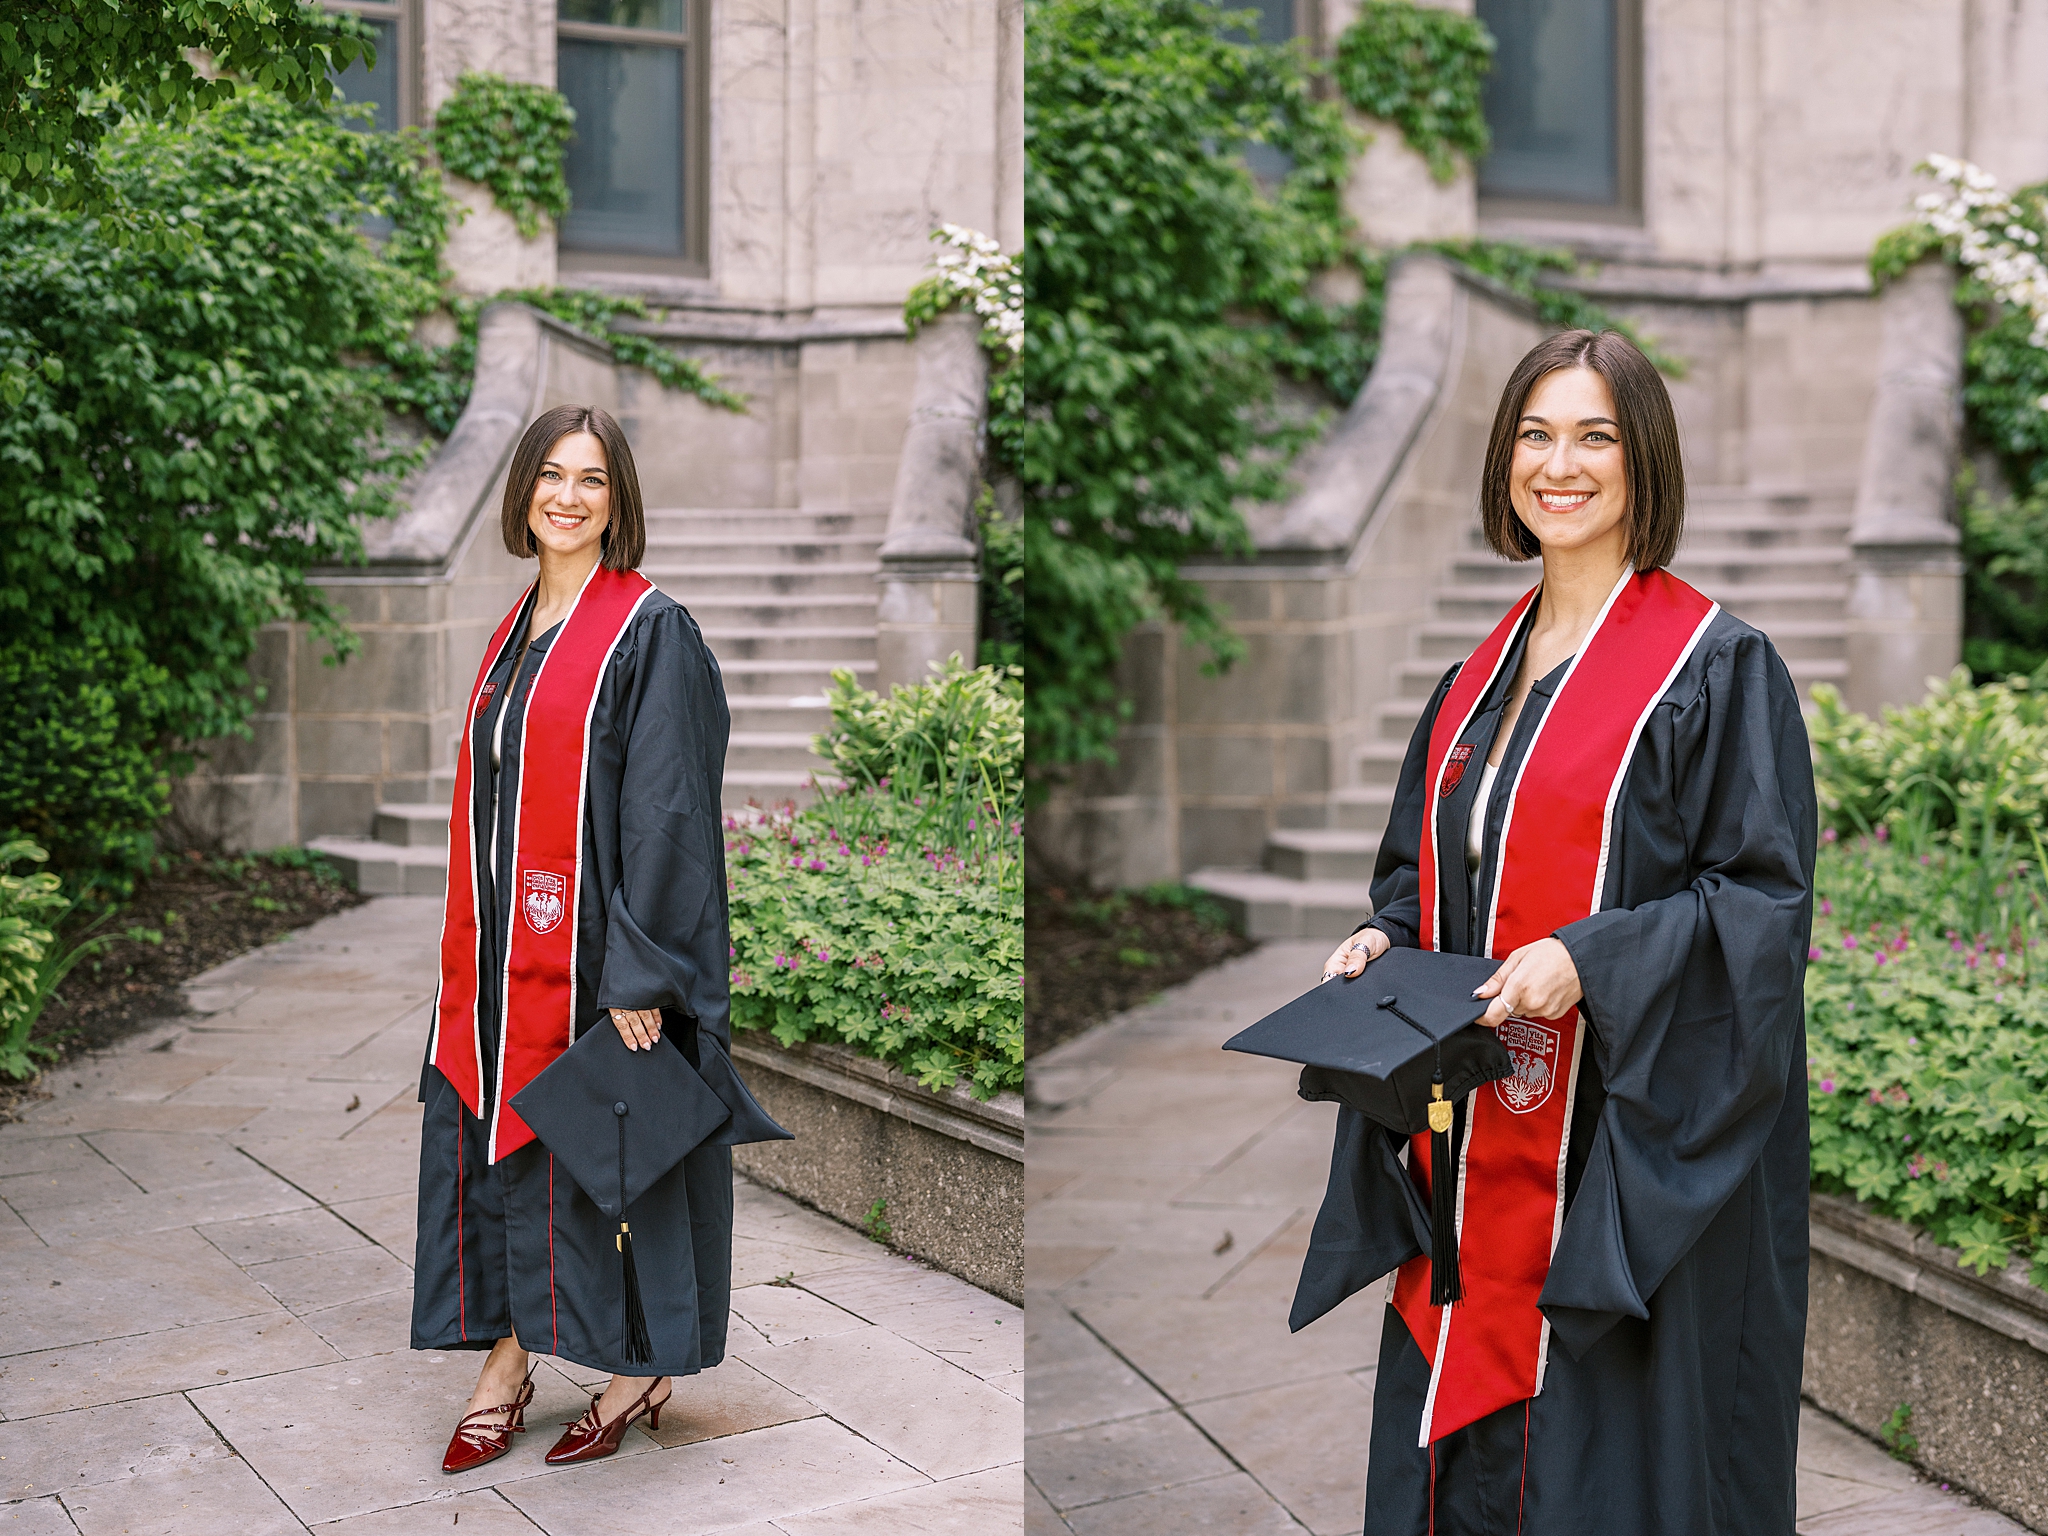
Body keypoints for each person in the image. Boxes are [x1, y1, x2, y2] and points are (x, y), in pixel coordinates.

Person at [1297, 331, 1817, 1534]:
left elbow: (1759, 908)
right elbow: (1429, 872)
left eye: (1593, 436)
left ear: (1643, 460)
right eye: (1534, 434)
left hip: (1614, 1156)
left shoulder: (1715, 671)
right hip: (1471, 1144)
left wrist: (1593, 959)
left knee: (1598, 1467)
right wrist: (1384, 939)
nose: (1558, 464)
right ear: (1503, 459)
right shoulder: (1473, 679)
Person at [412, 404, 745, 1471]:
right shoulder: (514, 634)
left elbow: (671, 808)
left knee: (606, 1165)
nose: (568, 496)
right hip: (501, 965)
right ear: (522, 493)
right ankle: (509, 1355)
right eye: (551, 475)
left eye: (592, 479)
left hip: (600, 964)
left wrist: (641, 969)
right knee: (512, 1148)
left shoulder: (649, 630)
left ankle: (632, 1368)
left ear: (617, 500)